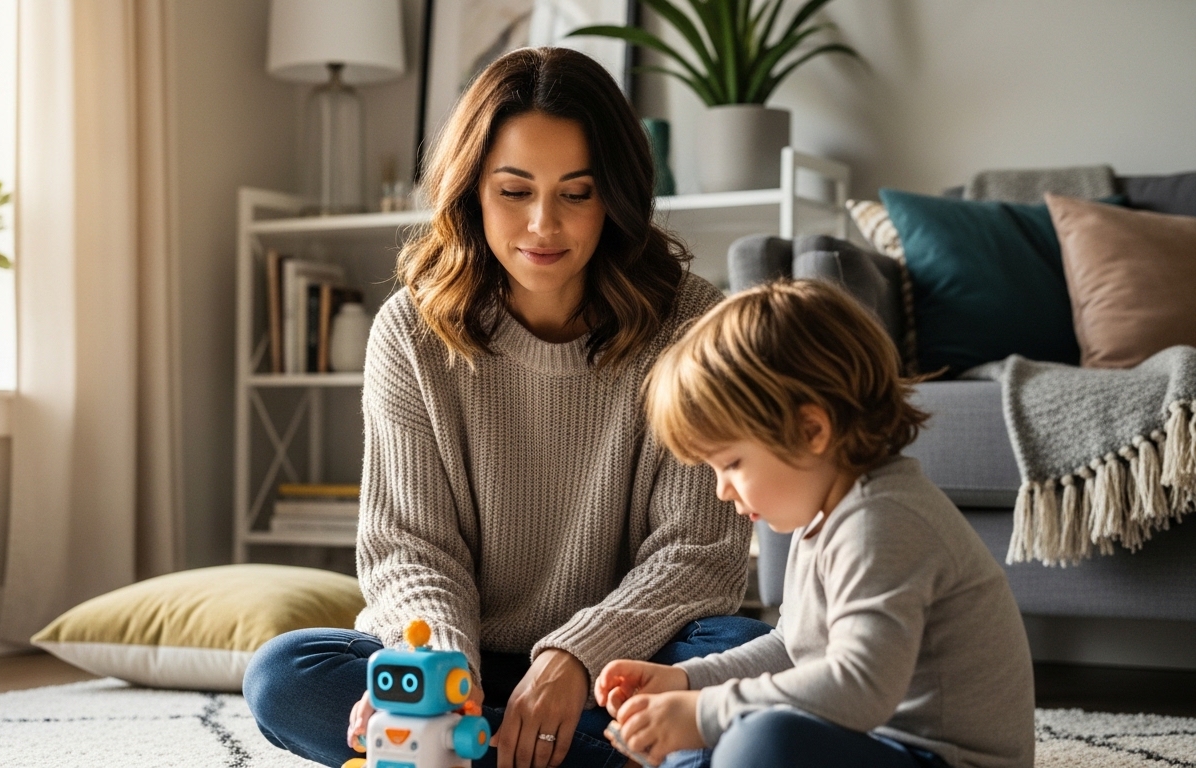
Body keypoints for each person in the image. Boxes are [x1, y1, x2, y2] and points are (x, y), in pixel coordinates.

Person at [243, 47, 772, 768]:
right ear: (472, 192)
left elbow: (699, 555)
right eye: (514, 191)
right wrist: (441, 682)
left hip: (622, 662)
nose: (543, 225)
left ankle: (459, 756)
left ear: (615, 194)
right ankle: (560, 749)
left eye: (577, 193)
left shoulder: (690, 323)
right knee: (284, 676)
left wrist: (576, 658)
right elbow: (407, 547)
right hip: (463, 659)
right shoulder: (410, 331)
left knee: (750, 660)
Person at [594, 280, 1036, 768]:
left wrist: (705, 712)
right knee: (713, 737)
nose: (722, 489)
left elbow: (858, 687)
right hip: (875, 744)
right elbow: (791, 649)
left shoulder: (880, 522)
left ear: (812, 430)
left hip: (938, 758)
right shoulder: (824, 518)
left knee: (758, 741)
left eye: (733, 463)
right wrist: (687, 682)